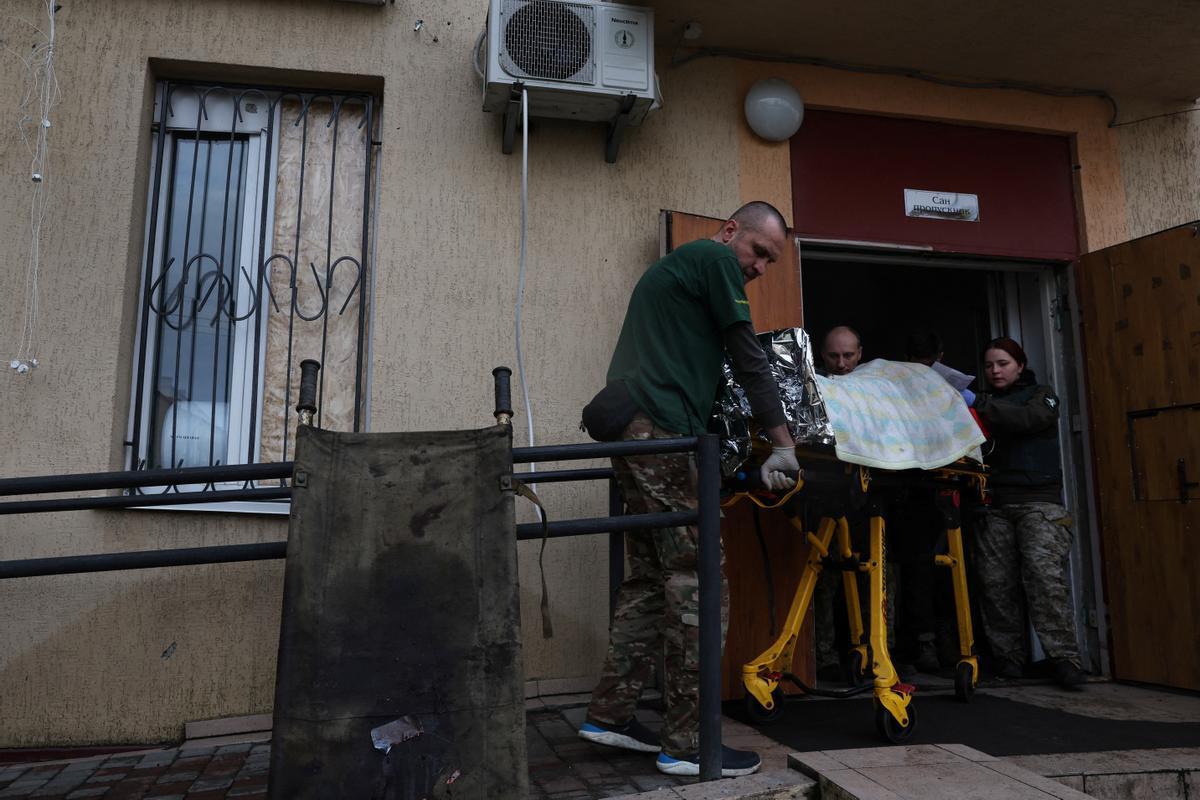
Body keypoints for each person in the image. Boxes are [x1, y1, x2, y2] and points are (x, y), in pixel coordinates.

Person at [577, 202, 799, 777]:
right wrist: (783, 443)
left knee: (654, 576)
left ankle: (610, 714)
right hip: (660, 426)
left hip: (630, 424)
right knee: (702, 578)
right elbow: (748, 357)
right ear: (731, 232)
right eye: (759, 253)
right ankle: (689, 743)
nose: (759, 269)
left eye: (770, 262)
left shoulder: (683, 271)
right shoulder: (710, 257)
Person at [969, 337, 1086, 689]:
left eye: (1003, 363)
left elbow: (1027, 420)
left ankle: (1064, 660)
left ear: (1020, 365)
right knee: (995, 584)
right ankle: (1008, 661)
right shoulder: (984, 403)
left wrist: (979, 403)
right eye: (989, 365)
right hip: (996, 505)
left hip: (1039, 503)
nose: (995, 370)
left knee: (1044, 580)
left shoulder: (1042, 396)